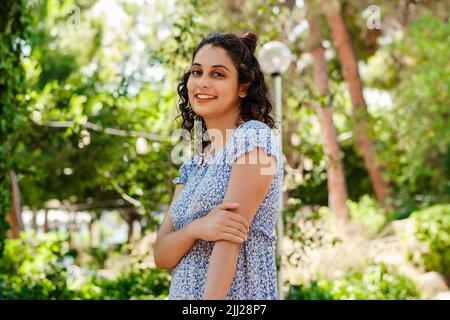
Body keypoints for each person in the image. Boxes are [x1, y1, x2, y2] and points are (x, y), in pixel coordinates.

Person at [153, 32, 283, 300]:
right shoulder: (193, 165)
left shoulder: (252, 138)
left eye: (218, 74)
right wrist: (195, 229)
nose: (202, 83)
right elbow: (161, 255)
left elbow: (228, 242)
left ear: (243, 87)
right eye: (197, 72)